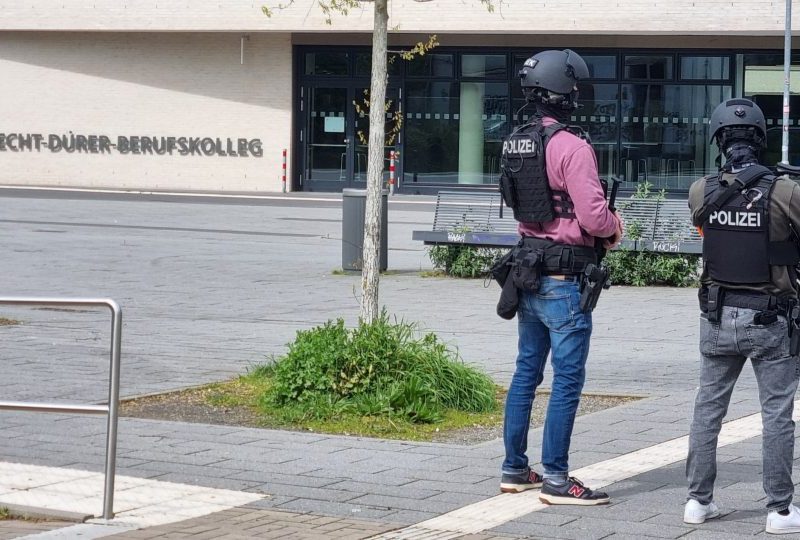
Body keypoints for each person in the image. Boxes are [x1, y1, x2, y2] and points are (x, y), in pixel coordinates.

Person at [497, 49, 623, 505]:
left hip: (526, 269)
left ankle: (514, 469)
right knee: (567, 379)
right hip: (565, 279)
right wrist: (614, 227)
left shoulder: (516, 141)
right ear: (565, 92)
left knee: (526, 373)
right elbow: (592, 215)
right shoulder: (573, 146)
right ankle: (556, 478)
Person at [685, 98, 800, 534]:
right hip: (771, 319)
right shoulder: (784, 191)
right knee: (775, 413)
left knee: (707, 410)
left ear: (718, 139)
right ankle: (779, 511)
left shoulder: (701, 190)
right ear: (760, 138)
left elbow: (708, 226)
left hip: (716, 315)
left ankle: (697, 501)